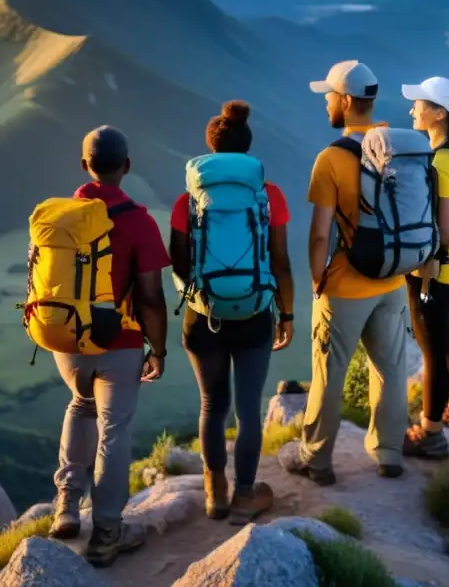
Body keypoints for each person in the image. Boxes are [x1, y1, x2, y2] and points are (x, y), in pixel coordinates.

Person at [279, 60, 410, 484]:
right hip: (393, 278)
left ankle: (316, 459)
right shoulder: (401, 145)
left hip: (347, 284)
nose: (326, 103)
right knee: (390, 370)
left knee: (328, 374)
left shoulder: (333, 157)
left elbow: (321, 234)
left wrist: (318, 280)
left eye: (330, 96)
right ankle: (389, 453)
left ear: (348, 100)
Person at [49, 126, 170, 568]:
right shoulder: (138, 221)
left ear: (84, 166)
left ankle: (65, 506)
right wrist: (158, 348)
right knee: (113, 430)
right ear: (127, 166)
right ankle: (105, 531)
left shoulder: (59, 215)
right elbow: (152, 296)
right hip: (118, 343)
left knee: (79, 406)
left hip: (66, 341)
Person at [170, 100, 296, 525]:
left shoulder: (186, 200)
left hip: (203, 317)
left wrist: (201, 298)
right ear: (247, 150)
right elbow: (280, 261)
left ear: (210, 151)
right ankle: (245, 494)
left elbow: (180, 263)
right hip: (255, 313)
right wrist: (288, 313)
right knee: (248, 409)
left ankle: (215, 491)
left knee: (212, 405)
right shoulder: (269, 196)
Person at [399, 77, 449, 460]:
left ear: (440, 113)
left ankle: (430, 434)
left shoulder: (442, 160)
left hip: (436, 272)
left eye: (420, 104)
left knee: (434, 353)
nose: (413, 109)